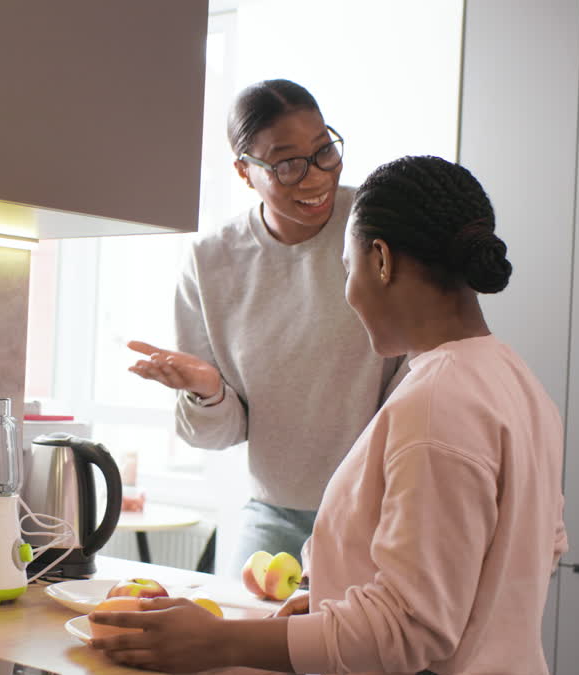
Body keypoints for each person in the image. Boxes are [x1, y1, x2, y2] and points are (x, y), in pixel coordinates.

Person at [96, 155, 568, 675]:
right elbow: (535, 548)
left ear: (382, 260)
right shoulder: (515, 381)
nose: (348, 292)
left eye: (347, 268)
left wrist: (216, 640)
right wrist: (328, 607)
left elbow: (409, 627)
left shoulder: (438, 400)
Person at [128, 79, 405, 571]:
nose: (316, 177)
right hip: (274, 512)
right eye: (287, 163)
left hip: (380, 507)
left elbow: (424, 366)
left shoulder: (379, 225)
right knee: (239, 640)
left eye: (324, 151)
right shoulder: (210, 262)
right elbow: (217, 435)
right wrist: (208, 392)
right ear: (243, 170)